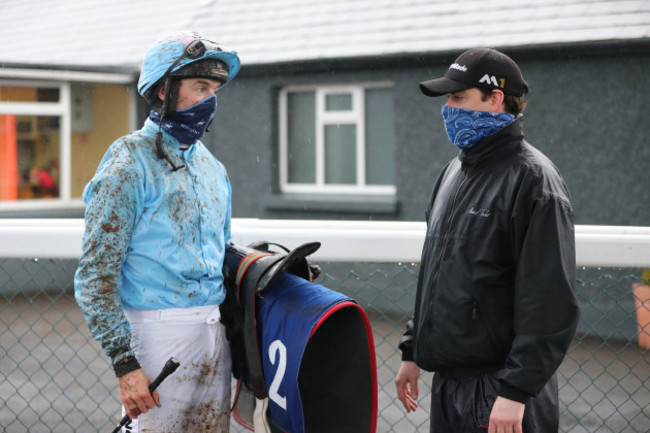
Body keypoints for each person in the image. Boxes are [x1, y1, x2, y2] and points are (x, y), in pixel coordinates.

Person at [395, 48, 580, 433]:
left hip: (501, 392)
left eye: (458, 97)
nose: (448, 108)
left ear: (495, 100)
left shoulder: (533, 181)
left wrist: (515, 392)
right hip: (451, 384)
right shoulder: (454, 171)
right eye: (447, 98)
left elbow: (549, 302)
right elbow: (439, 271)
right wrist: (413, 350)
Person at [74, 31, 240, 432]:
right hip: (154, 337)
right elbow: (96, 277)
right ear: (164, 90)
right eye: (200, 86)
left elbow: (222, 252)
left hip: (214, 336)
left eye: (215, 89)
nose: (210, 99)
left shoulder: (212, 168)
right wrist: (125, 363)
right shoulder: (128, 162)